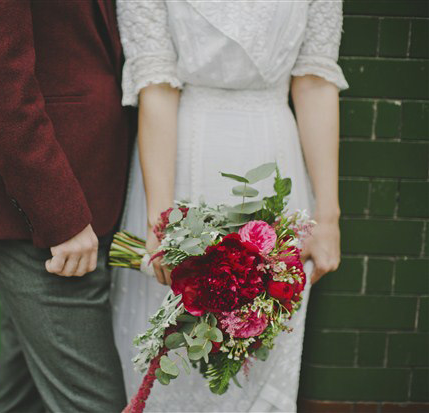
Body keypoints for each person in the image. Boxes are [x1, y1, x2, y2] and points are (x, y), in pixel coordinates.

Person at [111, 1, 348, 411]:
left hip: (275, 156)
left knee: (261, 339)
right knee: (169, 339)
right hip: (178, 162)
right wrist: (161, 220)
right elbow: (157, 86)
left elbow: (314, 81)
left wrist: (328, 218)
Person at [0, 1, 133, 412]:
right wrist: (60, 216)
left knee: (22, 397)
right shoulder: (58, 216)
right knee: (94, 403)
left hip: (92, 190)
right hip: (44, 212)